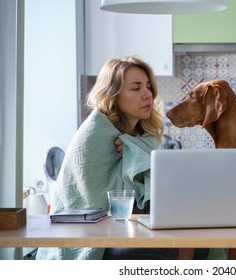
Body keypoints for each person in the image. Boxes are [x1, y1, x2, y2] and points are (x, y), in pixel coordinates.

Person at [36, 56, 179, 260]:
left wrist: (134, 151)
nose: (148, 95)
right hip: (88, 235)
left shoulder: (143, 137)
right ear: (113, 95)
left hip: (129, 228)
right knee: (165, 248)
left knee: (186, 241)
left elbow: (158, 193)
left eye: (148, 86)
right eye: (136, 88)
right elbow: (96, 201)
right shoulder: (94, 135)